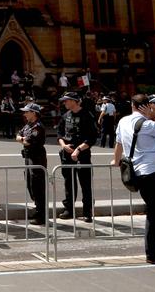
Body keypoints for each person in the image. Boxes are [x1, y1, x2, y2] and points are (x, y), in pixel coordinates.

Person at [112, 93, 155, 268]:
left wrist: (116, 160)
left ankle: (152, 254)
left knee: (154, 212)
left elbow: (118, 143)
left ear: (132, 105)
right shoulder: (148, 124)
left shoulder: (123, 121)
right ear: (147, 107)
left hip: (138, 173)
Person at [56, 92, 97, 221]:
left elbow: (92, 138)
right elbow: (60, 134)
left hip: (82, 154)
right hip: (66, 154)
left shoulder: (87, 115)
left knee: (85, 183)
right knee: (69, 183)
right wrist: (63, 146)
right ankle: (68, 209)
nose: (65, 103)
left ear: (75, 101)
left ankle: (87, 212)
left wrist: (78, 150)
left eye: (67, 100)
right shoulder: (65, 115)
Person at [16, 102, 48, 225]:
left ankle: (41, 215)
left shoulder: (38, 126)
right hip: (29, 157)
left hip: (37, 158)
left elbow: (28, 141)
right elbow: (18, 135)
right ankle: (37, 210)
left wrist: (22, 139)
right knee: (31, 185)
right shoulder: (29, 124)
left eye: (26, 111)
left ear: (34, 113)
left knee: (37, 187)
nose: (24, 113)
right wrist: (21, 139)